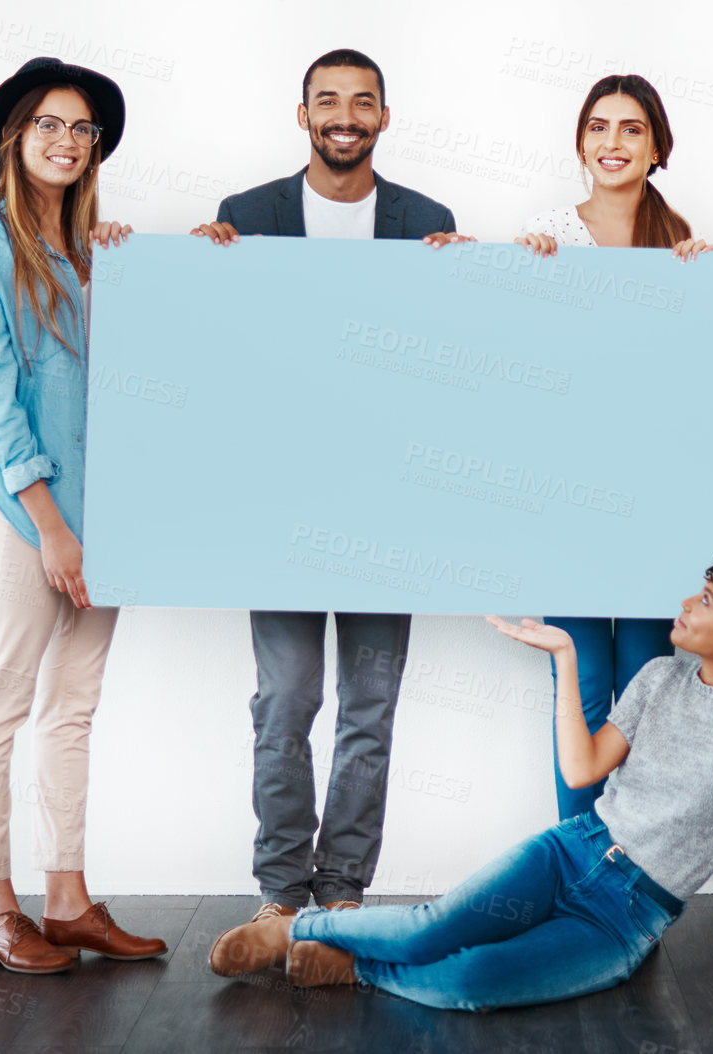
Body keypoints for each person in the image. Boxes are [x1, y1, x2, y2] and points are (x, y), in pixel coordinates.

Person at [206, 551, 713, 1011]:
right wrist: (564, 656)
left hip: (629, 916)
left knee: (476, 980)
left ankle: (352, 964)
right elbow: (584, 770)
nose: (684, 603)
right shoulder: (657, 678)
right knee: (431, 928)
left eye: (705, 600)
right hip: (572, 850)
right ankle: (292, 929)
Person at [189, 48, 471, 927]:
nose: (344, 116)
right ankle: (280, 893)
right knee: (285, 702)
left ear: (384, 117)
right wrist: (199, 271)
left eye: (362, 102)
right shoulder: (247, 215)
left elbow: (449, 364)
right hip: (282, 504)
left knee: (370, 707)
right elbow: (221, 351)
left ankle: (342, 891)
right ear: (302, 113)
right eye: (327, 101)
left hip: (392, 507)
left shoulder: (428, 220)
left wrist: (464, 282)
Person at [0, 56, 165, 974]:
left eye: (82, 129)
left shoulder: (95, 253)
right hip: (29, 515)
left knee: (72, 709)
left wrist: (141, 264)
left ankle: (67, 900)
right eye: (51, 125)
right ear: (15, 138)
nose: (68, 141)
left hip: (102, 516)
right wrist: (51, 526)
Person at [514, 74, 713, 822]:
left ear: (657, 147)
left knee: (647, 692)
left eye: (631, 129)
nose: (612, 143)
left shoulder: (680, 243)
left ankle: (632, 869)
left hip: (651, 505)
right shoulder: (549, 236)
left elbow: (700, 382)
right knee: (581, 687)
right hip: (567, 497)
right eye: (599, 127)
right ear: (579, 142)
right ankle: (571, 868)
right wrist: (520, 276)